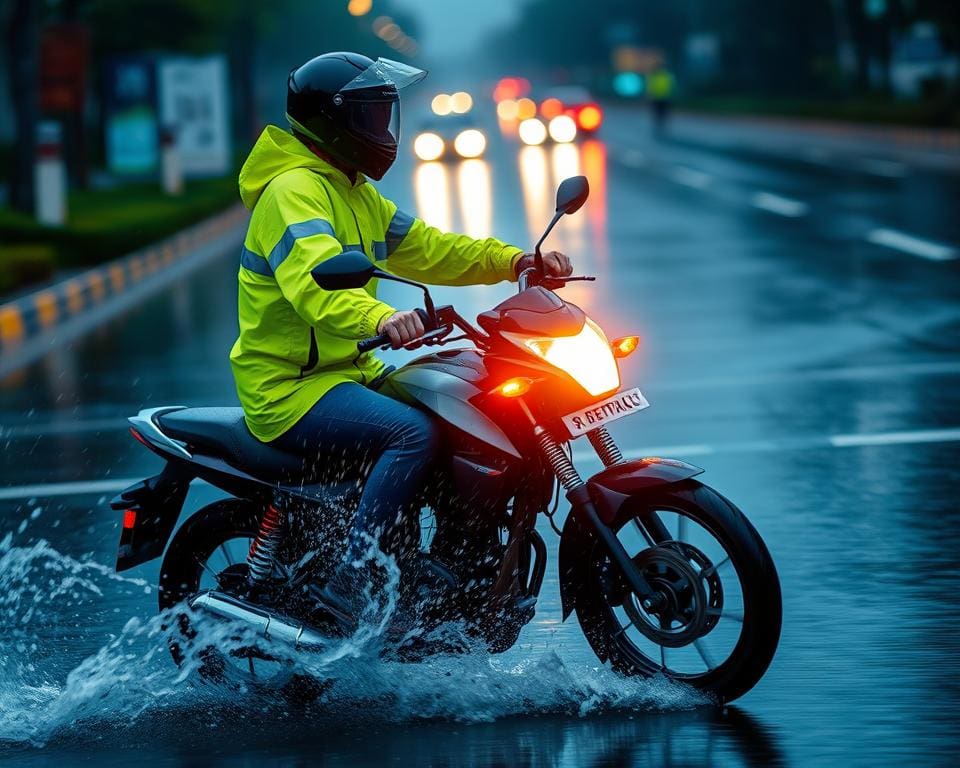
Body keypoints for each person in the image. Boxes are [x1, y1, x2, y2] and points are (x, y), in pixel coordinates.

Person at [229, 52, 571, 630]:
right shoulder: (292, 193)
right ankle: (355, 579)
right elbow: (316, 285)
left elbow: (430, 247)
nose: (383, 132)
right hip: (289, 387)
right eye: (370, 117)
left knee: (467, 400)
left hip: (349, 374)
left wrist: (514, 258)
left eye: (385, 116)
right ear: (332, 122)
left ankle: (437, 572)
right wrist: (379, 319)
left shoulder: (353, 190)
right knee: (410, 433)